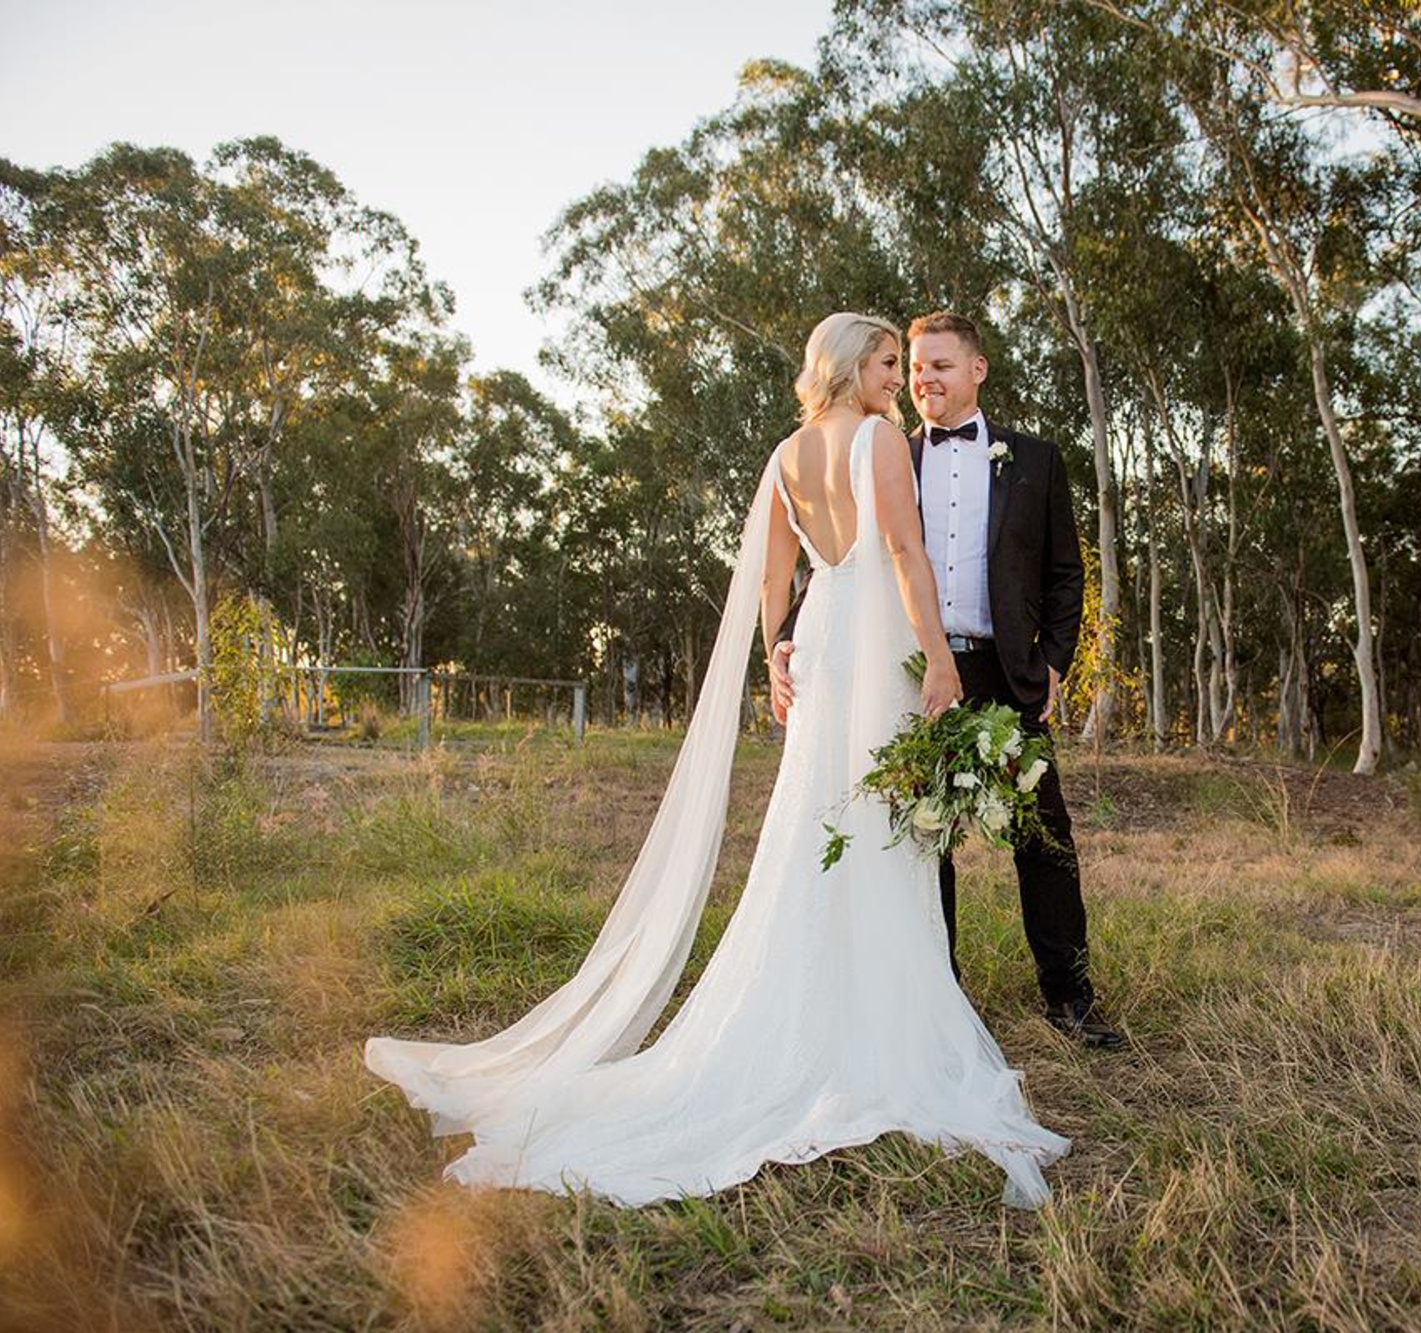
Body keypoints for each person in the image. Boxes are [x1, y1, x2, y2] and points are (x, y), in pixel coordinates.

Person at [365, 313, 1069, 1209]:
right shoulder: (883, 442)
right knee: (879, 822)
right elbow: (901, 550)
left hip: (822, 644)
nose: (899, 377)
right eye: (890, 361)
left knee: (824, 814)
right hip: (875, 642)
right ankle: (880, 1026)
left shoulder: (785, 455)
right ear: (854, 365)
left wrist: (779, 649)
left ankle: (834, 1000)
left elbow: (777, 577)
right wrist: (937, 656)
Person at [772, 312, 1125, 1050]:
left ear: (977, 370)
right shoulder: (884, 449)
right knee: (920, 838)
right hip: (919, 669)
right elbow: (848, 562)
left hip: (1008, 667)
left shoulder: (1036, 460)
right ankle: (941, 997)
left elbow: (1066, 574)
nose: (921, 379)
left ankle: (1071, 997)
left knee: (1045, 832)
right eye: (914, 366)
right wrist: (782, 638)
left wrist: (1054, 661)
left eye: (938, 365)